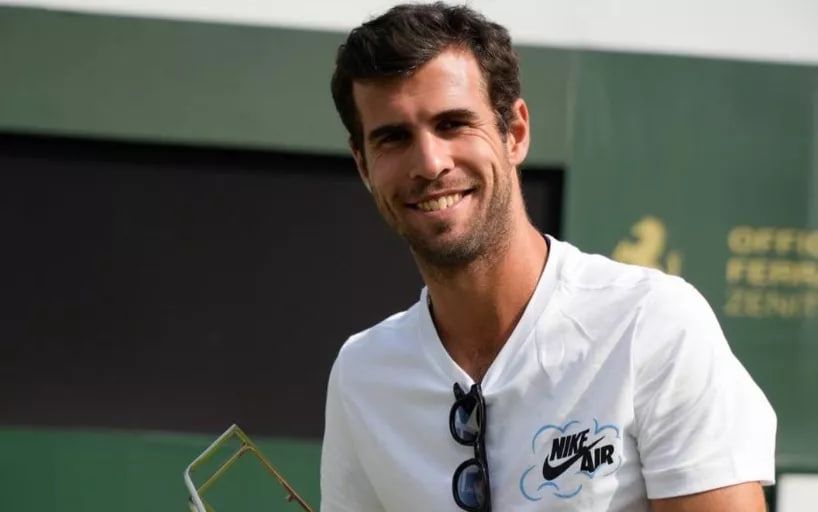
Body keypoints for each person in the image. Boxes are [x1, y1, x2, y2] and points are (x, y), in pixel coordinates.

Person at [320, 3, 776, 511]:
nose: (429, 163)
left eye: (453, 124)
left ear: (514, 133)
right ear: (363, 164)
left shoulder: (652, 324)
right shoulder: (362, 375)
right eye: (394, 138)